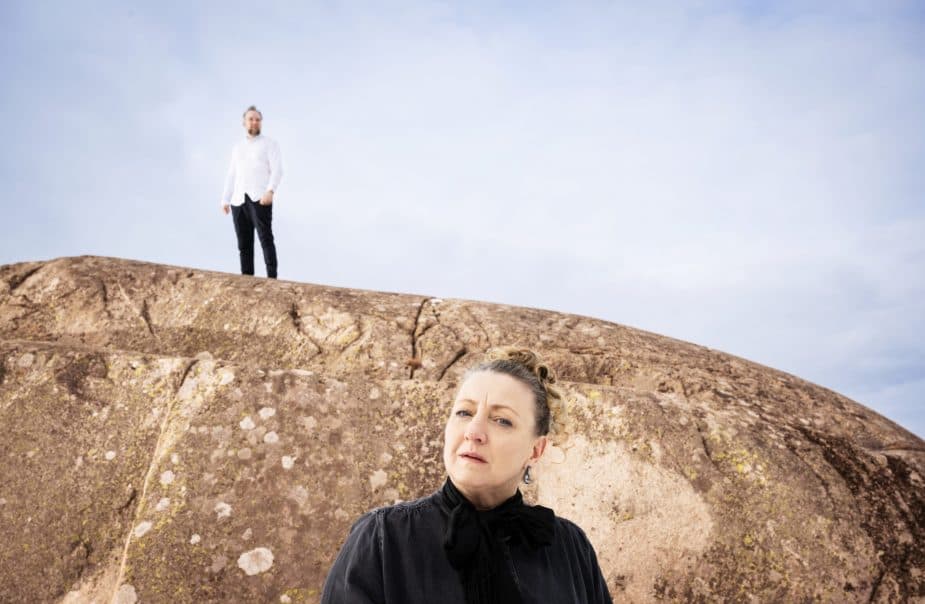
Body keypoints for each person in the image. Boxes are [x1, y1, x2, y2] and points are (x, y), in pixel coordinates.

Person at [321, 348, 613, 604]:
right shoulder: (383, 537)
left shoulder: (570, 547)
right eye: (464, 412)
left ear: (536, 450)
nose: (474, 432)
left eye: (502, 420)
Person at [220, 105, 283, 279]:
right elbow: (232, 173)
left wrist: (270, 191)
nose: (254, 122)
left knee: (265, 239)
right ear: (244, 122)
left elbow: (277, 170)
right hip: (238, 200)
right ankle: (247, 280)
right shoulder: (237, 147)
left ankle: (272, 278)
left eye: (257, 119)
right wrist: (225, 199)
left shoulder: (270, 144)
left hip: (260, 197)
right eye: (251, 119)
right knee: (244, 244)